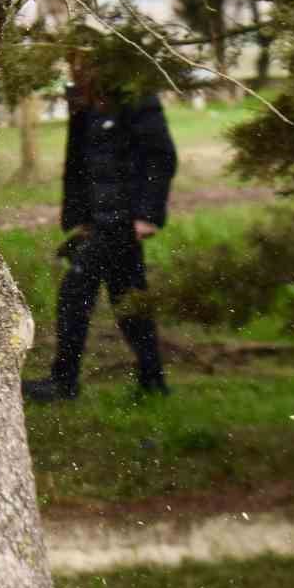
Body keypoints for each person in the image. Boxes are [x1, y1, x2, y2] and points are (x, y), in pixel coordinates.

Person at [22, 64, 178, 403]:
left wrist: (147, 216)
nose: (75, 69)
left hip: (124, 221)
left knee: (74, 292)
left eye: (82, 61)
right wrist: (80, 218)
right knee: (127, 297)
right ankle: (153, 382)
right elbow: (77, 164)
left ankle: (65, 383)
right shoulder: (83, 101)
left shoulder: (137, 98)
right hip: (99, 221)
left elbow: (161, 156)